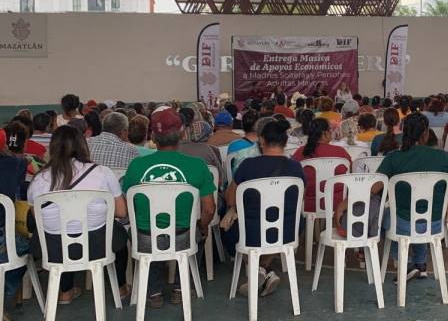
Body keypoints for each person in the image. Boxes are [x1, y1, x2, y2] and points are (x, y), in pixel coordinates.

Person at [122, 109, 216, 308]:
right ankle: (182, 288)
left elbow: (127, 205)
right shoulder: (197, 165)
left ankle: (153, 292)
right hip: (183, 238)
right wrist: (202, 226)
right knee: (198, 233)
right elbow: (209, 209)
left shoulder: (136, 166)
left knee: (147, 231)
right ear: (182, 134)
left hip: (144, 239)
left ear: (153, 137)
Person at [28, 126, 131, 305]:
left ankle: (65, 292)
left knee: (61, 232)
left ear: (53, 148)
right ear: (83, 145)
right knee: (118, 233)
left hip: (53, 250)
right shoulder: (102, 172)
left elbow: (37, 218)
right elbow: (122, 212)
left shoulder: (38, 179)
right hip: (98, 245)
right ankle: (120, 287)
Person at [224, 120, 304, 297]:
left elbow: (230, 200)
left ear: (261, 140)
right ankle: (265, 270)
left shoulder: (247, 165)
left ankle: (259, 269)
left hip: (251, 231)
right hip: (287, 231)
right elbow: (299, 199)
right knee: (293, 221)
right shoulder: (296, 168)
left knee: (230, 228)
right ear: (284, 142)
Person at [377, 113, 448, 280]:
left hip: (403, 223)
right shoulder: (442, 156)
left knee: (385, 217)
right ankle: (421, 263)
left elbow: (375, 187)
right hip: (434, 224)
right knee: (423, 208)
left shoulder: (393, 157)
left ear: (403, 132)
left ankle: (406, 263)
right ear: (426, 133)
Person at [292, 118, 351, 217]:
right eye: (330, 130)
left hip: (307, 205)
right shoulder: (340, 152)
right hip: (337, 204)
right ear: (325, 133)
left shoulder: (299, 153)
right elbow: (351, 173)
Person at [0, 129, 30, 314]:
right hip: (4, 240)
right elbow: (20, 195)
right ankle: (6, 291)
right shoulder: (16, 163)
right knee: (31, 246)